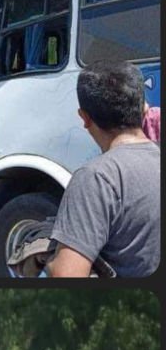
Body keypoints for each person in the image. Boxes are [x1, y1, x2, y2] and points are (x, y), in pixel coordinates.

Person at [47, 60, 160, 277]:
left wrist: (49, 260)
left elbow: (66, 276)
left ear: (85, 118)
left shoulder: (96, 178)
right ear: (143, 108)